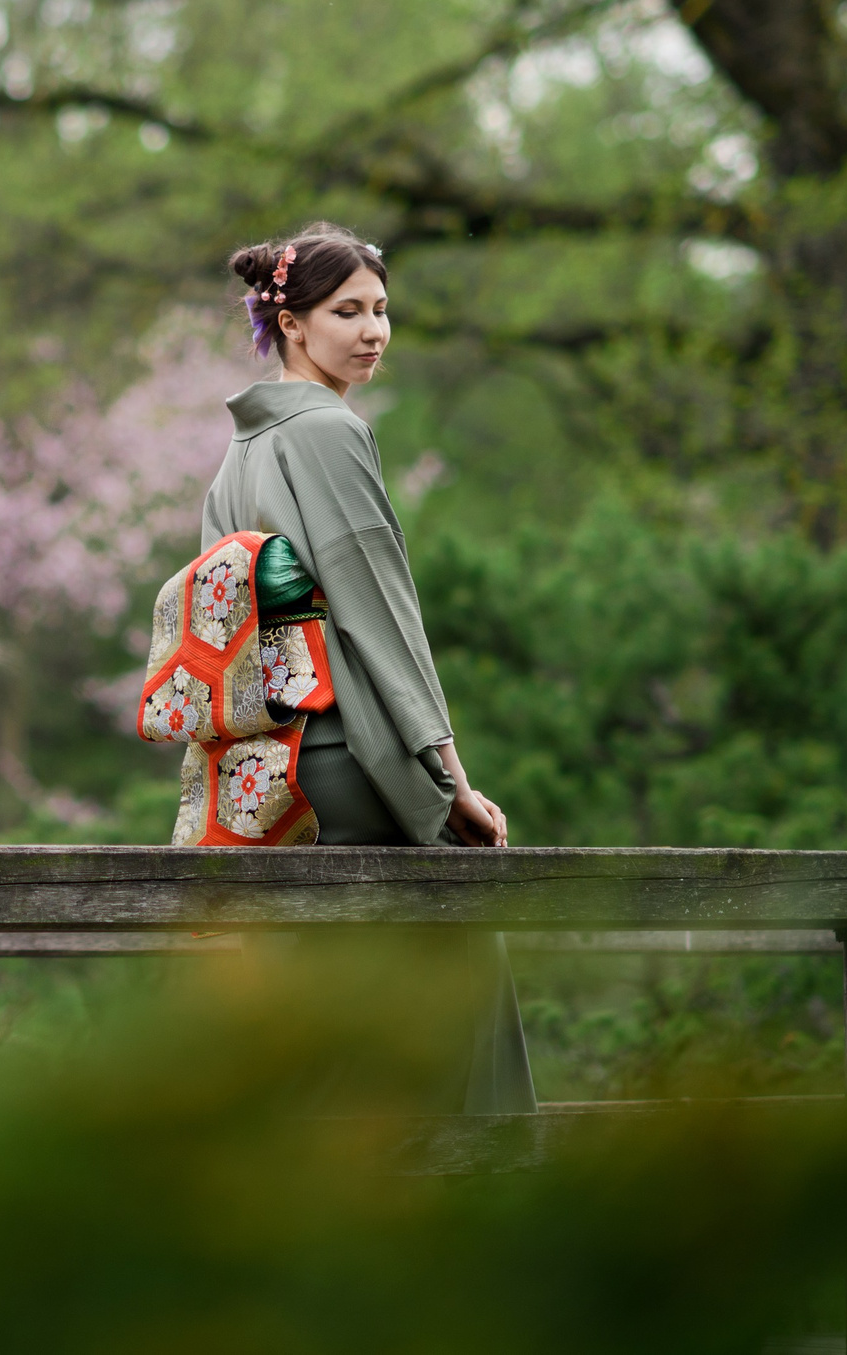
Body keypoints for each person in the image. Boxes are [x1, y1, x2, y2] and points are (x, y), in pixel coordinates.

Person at [207, 223, 535, 1111]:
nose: (372, 330)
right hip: (356, 754)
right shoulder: (328, 432)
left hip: (280, 762)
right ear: (292, 324)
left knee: (335, 988)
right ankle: (478, 1177)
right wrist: (450, 778)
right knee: (464, 939)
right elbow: (381, 615)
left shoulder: (237, 454)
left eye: (382, 310)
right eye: (346, 310)